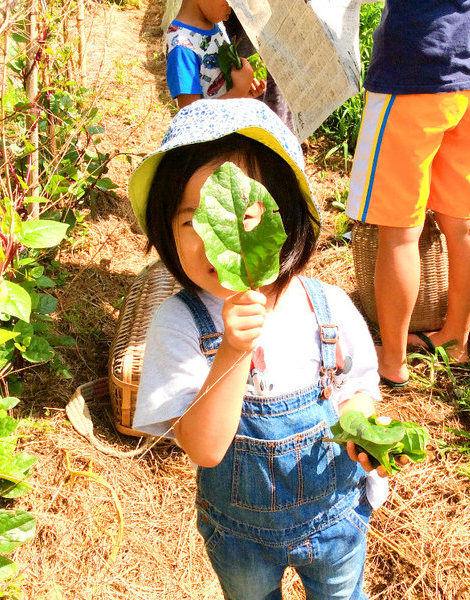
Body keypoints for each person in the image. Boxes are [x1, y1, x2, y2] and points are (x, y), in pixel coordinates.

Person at [127, 99, 389, 599]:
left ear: (285, 216)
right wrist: (231, 351)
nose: (216, 237)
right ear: (167, 230)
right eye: (191, 221)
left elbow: (358, 385)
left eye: (243, 216)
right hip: (240, 536)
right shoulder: (179, 324)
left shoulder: (325, 306)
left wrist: (361, 424)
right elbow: (205, 449)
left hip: (334, 519)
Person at [346, 0, 470, 383]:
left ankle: (393, 360)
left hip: (417, 64)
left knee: (399, 231)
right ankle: (456, 340)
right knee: (467, 223)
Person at [164, 0, 265, 108]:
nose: (233, 7)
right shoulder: (182, 49)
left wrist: (245, 93)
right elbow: (191, 117)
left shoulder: (216, 24)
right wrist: (238, 91)